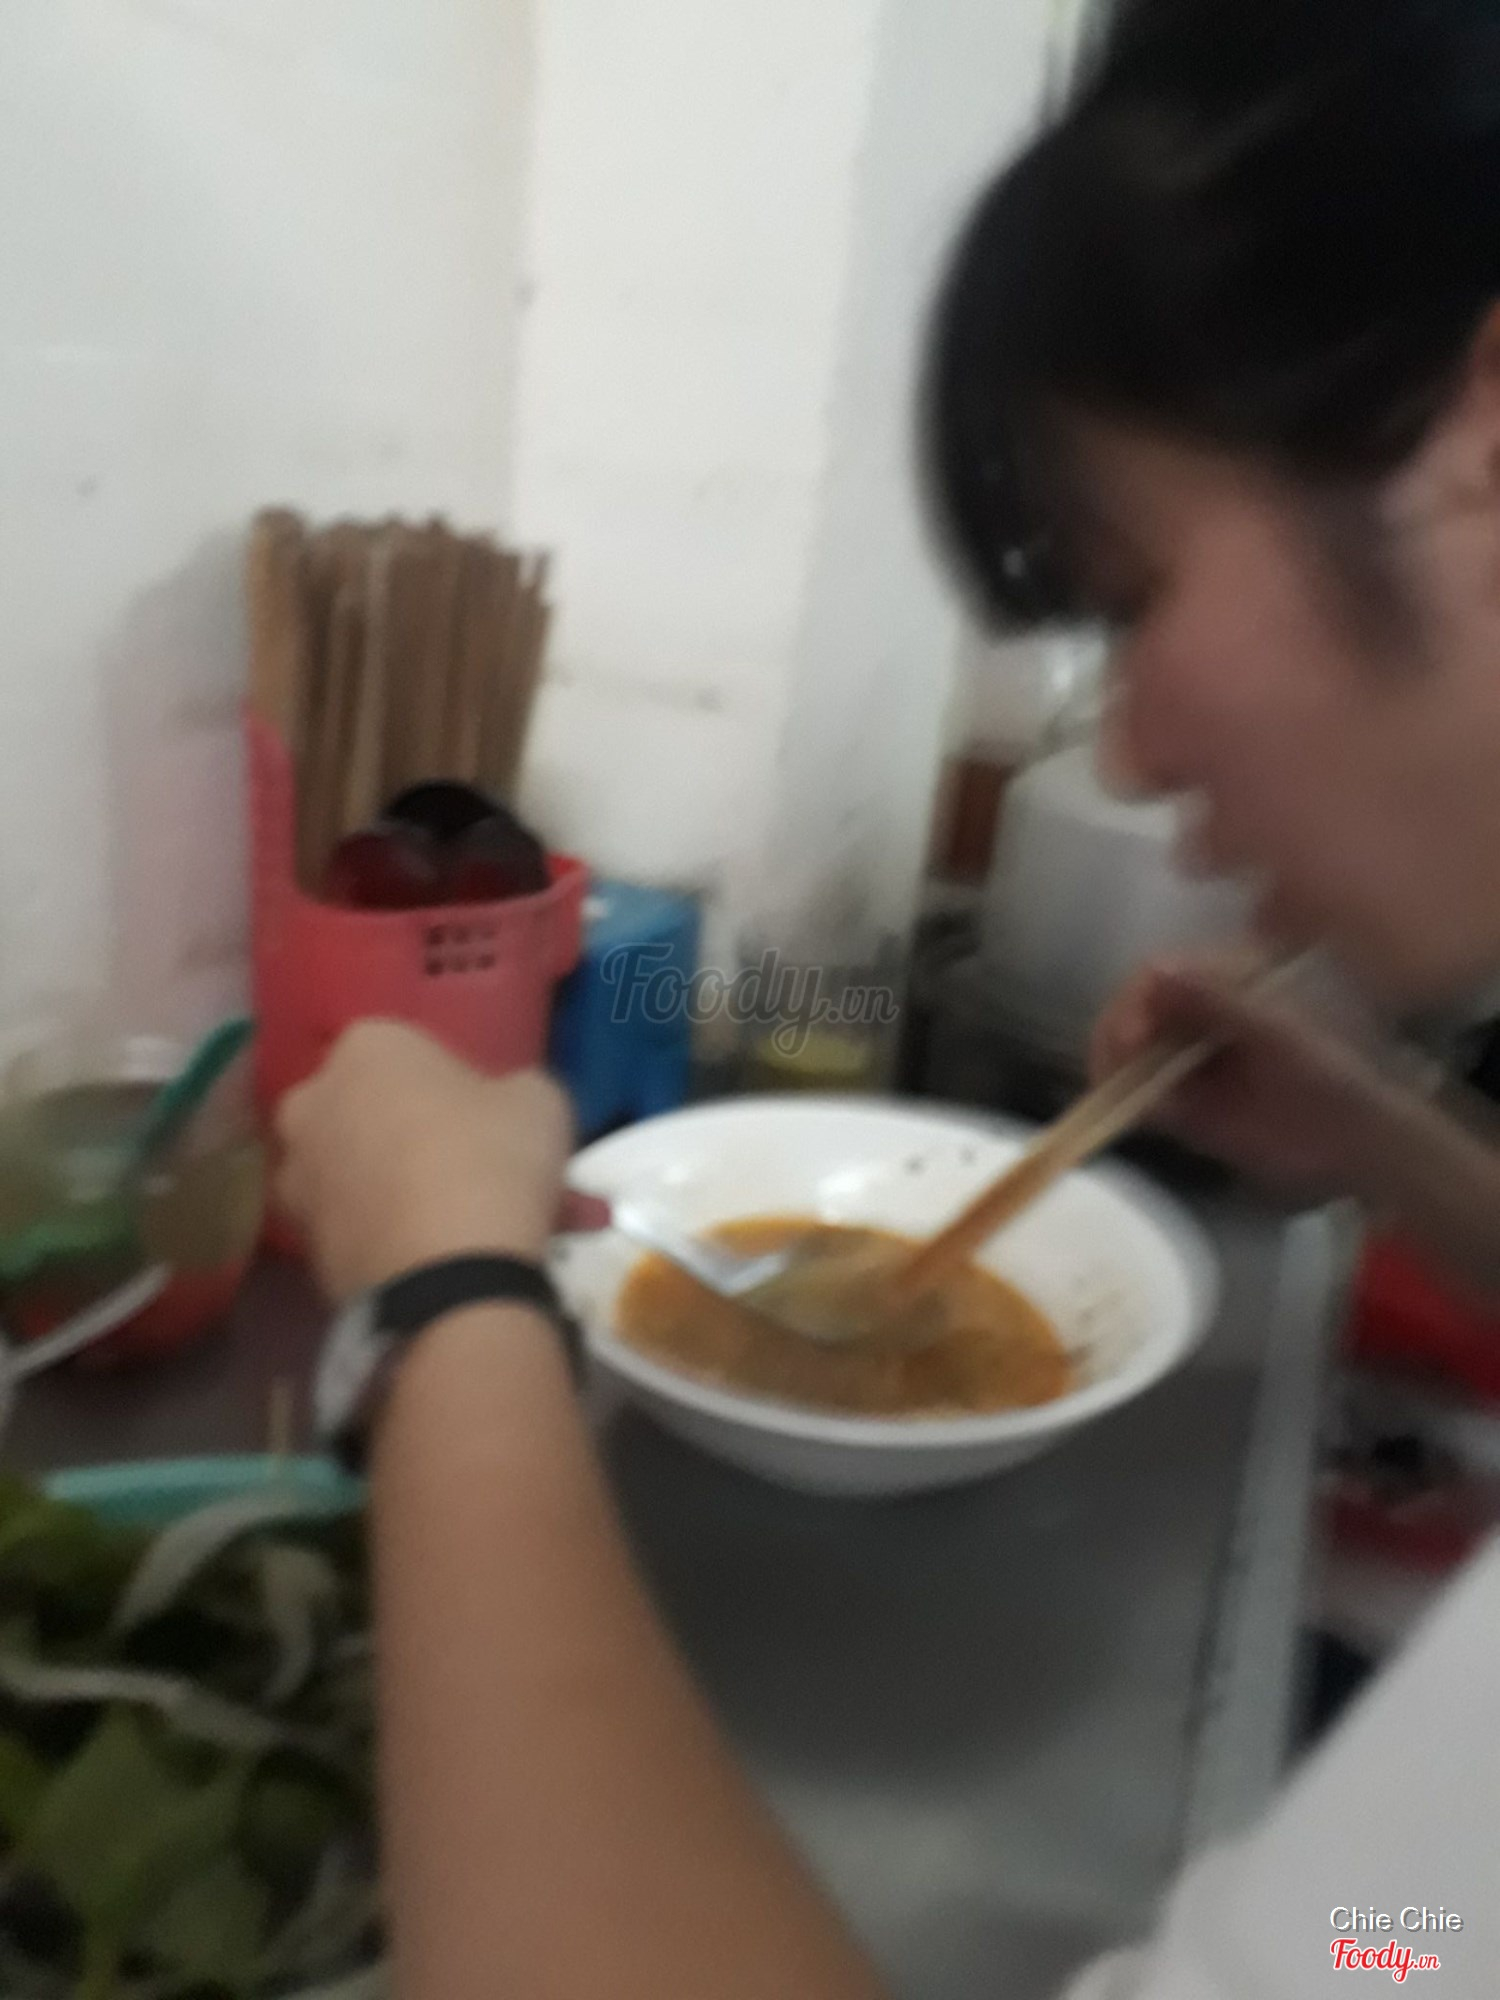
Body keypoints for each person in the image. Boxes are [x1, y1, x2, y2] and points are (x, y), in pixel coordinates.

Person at [274, 0, 1500, 1992]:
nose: (1133, 749)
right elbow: (1415, 1951)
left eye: (1131, 592)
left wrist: (447, 1298)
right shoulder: (1432, 1918)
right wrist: (1389, 1144)